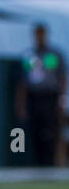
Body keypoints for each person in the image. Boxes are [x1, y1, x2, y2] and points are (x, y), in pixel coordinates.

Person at [16, 23, 66, 167]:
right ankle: (36, 164)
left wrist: (61, 100)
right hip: (34, 97)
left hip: (50, 97)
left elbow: (61, 78)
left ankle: (50, 163)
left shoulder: (54, 55)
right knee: (34, 132)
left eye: (42, 34)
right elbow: (23, 83)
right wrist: (21, 105)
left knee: (50, 132)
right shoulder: (29, 55)